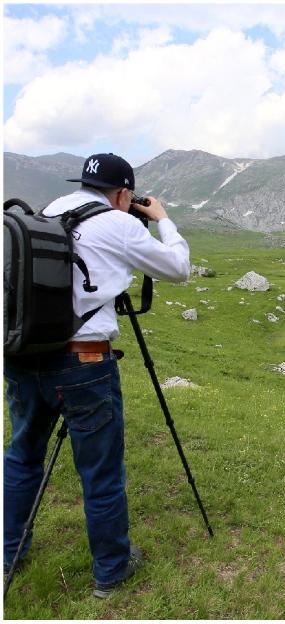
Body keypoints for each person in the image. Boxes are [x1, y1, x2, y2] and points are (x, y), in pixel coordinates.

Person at [3, 153, 191, 598]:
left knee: (22, 456)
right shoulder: (120, 224)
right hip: (84, 363)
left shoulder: (47, 212)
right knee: (101, 472)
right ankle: (111, 570)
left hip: (25, 355)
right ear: (124, 194)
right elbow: (178, 268)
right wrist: (162, 220)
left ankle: (8, 551)